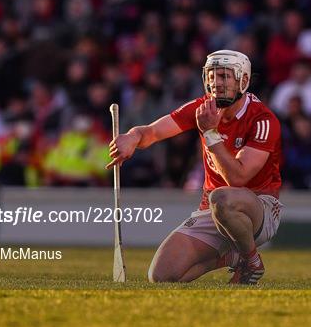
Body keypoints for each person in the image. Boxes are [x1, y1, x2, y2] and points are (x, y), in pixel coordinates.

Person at [107, 50, 283, 284]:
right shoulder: (201, 108)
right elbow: (152, 132)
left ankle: (251, 261)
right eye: (211, 76)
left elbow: (238, 179)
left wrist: (210, 133)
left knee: (222, 198)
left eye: (224, 76)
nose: (216, 83)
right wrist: (132, 137)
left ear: (243, 80)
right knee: (162, 276)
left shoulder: (263, 120)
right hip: (212, 208)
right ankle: (232, 257)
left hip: (258, 207)